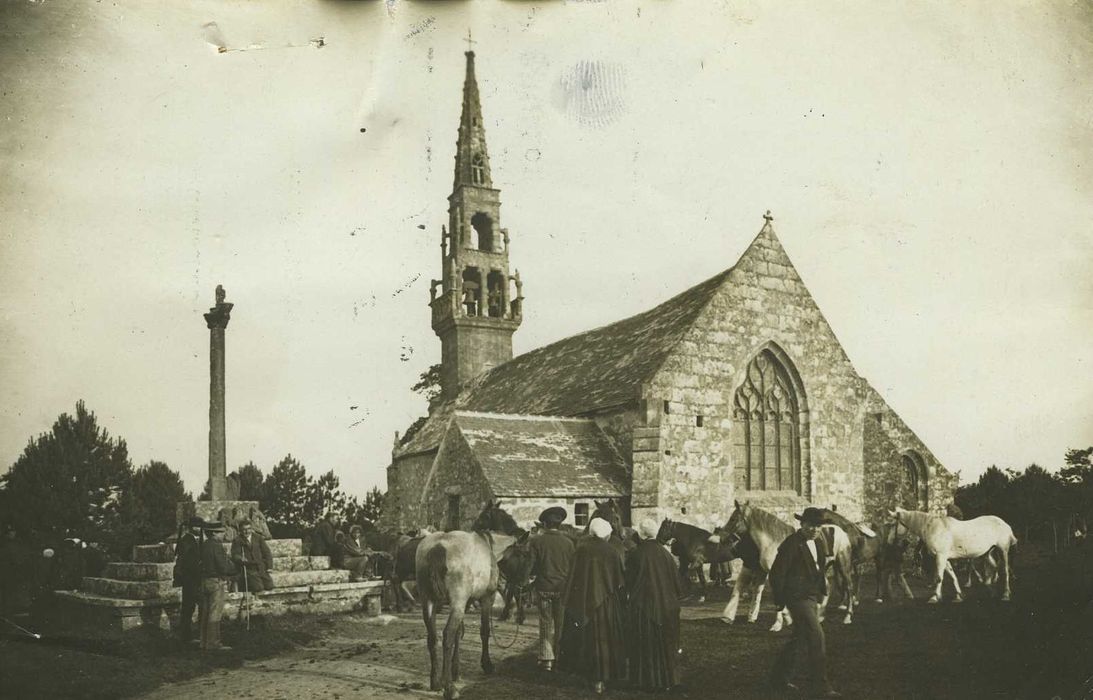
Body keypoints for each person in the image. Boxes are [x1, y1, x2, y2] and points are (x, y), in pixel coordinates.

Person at [768, 507, 841, 698]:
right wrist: (779, 603)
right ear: (802, 524)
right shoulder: (791, 544)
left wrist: (820, 593)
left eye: (818, 526)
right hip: (796, 598)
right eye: (811, 526)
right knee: (817, 637)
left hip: (810, 597)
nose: (815, 530)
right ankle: (821, 685)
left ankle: (778, 679)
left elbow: (818, 569)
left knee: (799, 638)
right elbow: (777, 574)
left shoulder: (817, 543)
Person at [558, 517, 627, 695]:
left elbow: (572, 577)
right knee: (605, 640)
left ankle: (589, 677)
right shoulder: (611, 551)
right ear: (606, 534)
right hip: (606, 604)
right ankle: (602, 679)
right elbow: (618, 580)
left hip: (582, 602)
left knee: (586, 640)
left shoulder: (581, 550)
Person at [626, 518, 684, 692]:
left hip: (644, 607)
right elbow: (677, 584)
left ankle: (648, 681)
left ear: (641, 534)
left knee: (647, 645)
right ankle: (670, 680)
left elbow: (629, 582)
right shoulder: (666, 555)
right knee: (667, 644)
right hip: (667, 607)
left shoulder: (636, 554)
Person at [527, 506, 575, 671]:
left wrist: (526, 580)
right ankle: (560, 657)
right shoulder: (569, 543)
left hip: (544, 588)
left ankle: (547, 660)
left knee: (545, 623)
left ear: (545, 524)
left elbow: (531, 566)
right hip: (562, 589)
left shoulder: (536, 541)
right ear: (559, 524)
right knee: (561, 623)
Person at [198, 521, 236, 652]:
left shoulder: (204, 545)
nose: (223, 534)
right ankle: (213, 643)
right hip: (216, 581)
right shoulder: (216, 546)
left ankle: (203, 642)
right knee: (215, 613)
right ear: (214, 533)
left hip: (204, 581)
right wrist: (234, 567)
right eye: (221, 532)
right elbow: (223, 565)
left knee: (205, 612)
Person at [173, 516, 204, 641]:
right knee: (188, 607)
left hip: (195, 578)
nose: (200, 529)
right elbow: (186, 561)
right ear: (192, 527)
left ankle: (194, 634)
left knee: (194, 606)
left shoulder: (196, 539)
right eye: (197, 526)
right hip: (190, 578)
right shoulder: (187, 540)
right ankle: (186, 635)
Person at [231, 519, 274, 593]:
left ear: (251, 529)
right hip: (248, 569)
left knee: (269, 586)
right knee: (258, 587)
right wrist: (240, 558)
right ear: (240, 530)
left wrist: (269, 567)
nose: (247, 531)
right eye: (244, 530)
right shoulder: (237, 540)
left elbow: (267, 552)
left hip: (261, 567)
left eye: (249, 529)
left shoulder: (258, 538)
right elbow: (235, 554)